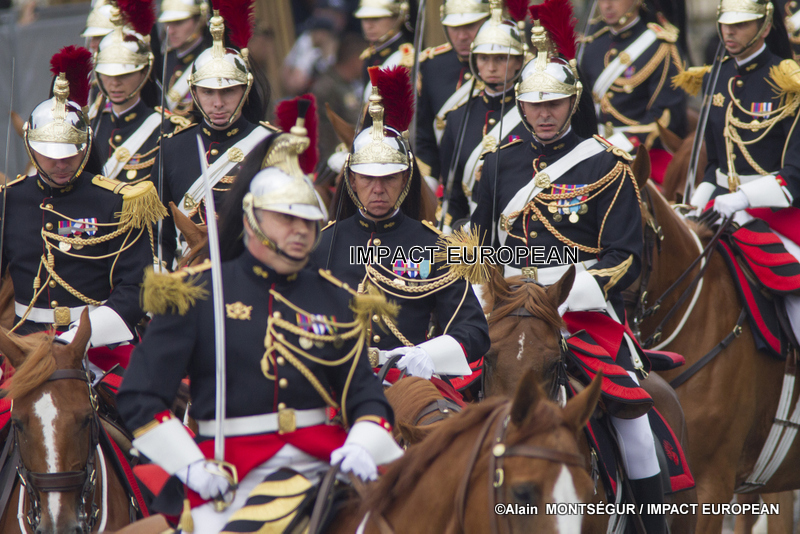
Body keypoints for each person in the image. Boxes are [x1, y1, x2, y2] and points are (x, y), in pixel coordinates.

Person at [117, 106, 401, 534]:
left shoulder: (338, 298)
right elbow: (141, 395)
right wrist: (190, 465)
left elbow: (365, 395)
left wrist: (362, 441)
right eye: (286, 218)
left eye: (308, 221)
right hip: (228, 472)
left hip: (323, 466)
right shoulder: (197, 293)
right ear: (252, 220)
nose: (300, 230)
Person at [470, 3, 667, 531]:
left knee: (634, 420)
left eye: (554, 104)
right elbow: (479, 245)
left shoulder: (605, 164)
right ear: (520, 105)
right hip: (509, 309)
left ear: (572, 102)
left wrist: (574, 289)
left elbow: (625, 257)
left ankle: (653, 523)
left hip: (580, 310)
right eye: (534, 105)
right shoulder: (498, 163)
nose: (544, 115)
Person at [314, 65, 490, 383]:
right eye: (368, 178)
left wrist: (429, 354)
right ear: (351, 180)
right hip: (338, 382)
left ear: (406, 178)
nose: (378, 189)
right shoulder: (322, 244)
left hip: (410, 383)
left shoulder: (436, 246)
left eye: (389, 178)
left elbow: (474, 330)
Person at [4, 46, 163, 375]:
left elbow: (135, 287)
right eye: (50, 155)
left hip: (99, 346)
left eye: (70, 154)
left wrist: (77, 337)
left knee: (144, 403)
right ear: (30, 145)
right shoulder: (9, 200)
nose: (60, 164)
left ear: (87, 144)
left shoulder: (117, 201)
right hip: (25, 346)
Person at [683, 1, 800, 345]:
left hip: (775, 212)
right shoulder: (715, 77)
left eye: (742, 24)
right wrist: (696, 201)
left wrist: (745, 198)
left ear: (765, 27)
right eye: (725, 23)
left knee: (795, 289)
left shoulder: (788, 80)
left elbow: (795, 175)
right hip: (720, 207)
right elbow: (714, 164)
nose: (729, 32)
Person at [156, 0, 276, 268]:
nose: (218, 103)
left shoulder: (271, 144)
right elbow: (160, 234)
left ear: (245, 90)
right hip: (190, 276)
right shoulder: (172, 148)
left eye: (228, 92)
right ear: (194, 92)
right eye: (208, 92)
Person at [439, 1, 527, 227]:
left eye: (501, 58)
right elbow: (453, 194)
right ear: (474, 61)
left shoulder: (532, 113)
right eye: (484, 58)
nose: (491, 67)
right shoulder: (456, 118)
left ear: (518, 61)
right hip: (472, 229)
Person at [580, 0, 687, 183]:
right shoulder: (591, 46)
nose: (607, 5)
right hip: (593, 149)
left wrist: (621, 144)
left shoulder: (661, 47)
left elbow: (665, 116)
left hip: (642, 153)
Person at [92, 1, 170, 185]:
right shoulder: (91, 125)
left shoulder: (165, 128)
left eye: (124, 75)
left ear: (144, 72)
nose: (115, 83)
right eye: (107, 74)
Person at [415, 0, 489, 191]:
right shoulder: (432, 66)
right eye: (454, 28)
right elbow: (425, 138)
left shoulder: (510, 63)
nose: (462, 36)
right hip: (448, 184)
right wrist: (429, 183)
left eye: (470, 26)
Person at [310, 32, 367, 164]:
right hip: (334, 160)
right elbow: (325, 131)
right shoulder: (326, 87)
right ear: (355, 59)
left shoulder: (346, 84)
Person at [159, 0, 211, 114]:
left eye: (178, 23)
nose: (171, 31)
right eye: (167, 23)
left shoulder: (211, 60)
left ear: (199, 20)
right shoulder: (163, 60)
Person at [355, 0, 415, 100]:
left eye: (376, 19)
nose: (369, 26)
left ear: (397, 18)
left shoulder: (406, 57)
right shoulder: (370, 55)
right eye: (365, 19)